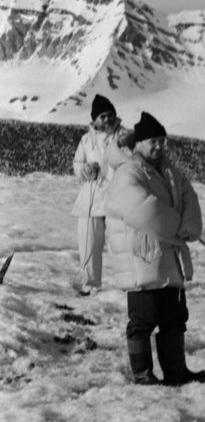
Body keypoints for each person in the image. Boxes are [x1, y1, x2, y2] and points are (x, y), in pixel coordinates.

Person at [105, 112, 205, 386]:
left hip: (169, 253)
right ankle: (142, 374)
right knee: (143, 319)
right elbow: (144, 210)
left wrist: (191, 224)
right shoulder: (127, 171)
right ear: (138, 143)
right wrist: (180, 229)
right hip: (143, 255)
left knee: (174, 317)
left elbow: (189, 197)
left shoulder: (170, 171)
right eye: (153, 141)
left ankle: (176, 371)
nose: (160, 146)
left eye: (163, 141)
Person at [69, 94, 132, 294]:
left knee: (122, 244)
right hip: (91, 198)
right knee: (88, 243)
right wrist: (85, 170)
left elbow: (135, 159)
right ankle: (89, 284)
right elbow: (77, 164)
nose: (106, 119)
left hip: (119, 197)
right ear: (94, 119)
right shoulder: (86, 139)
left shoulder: (126, 135)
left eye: (109, 115)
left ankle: (128, 285)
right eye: (102, 116)